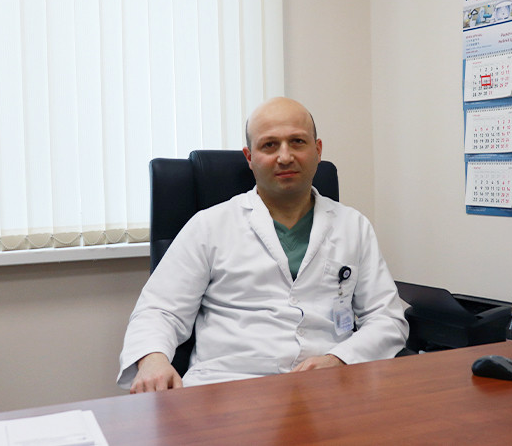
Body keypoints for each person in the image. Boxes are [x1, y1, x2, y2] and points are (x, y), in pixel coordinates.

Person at [117, 97, 409, 392]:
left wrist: (339, 359)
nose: (285, 156)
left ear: (318, 150)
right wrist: (153, 359)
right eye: (269, 145)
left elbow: (386, 318)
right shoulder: (209, 226)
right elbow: (160, 310)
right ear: (249, 156)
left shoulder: (353, 226)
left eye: (297, 142)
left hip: (325, 388)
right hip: (227, 389)